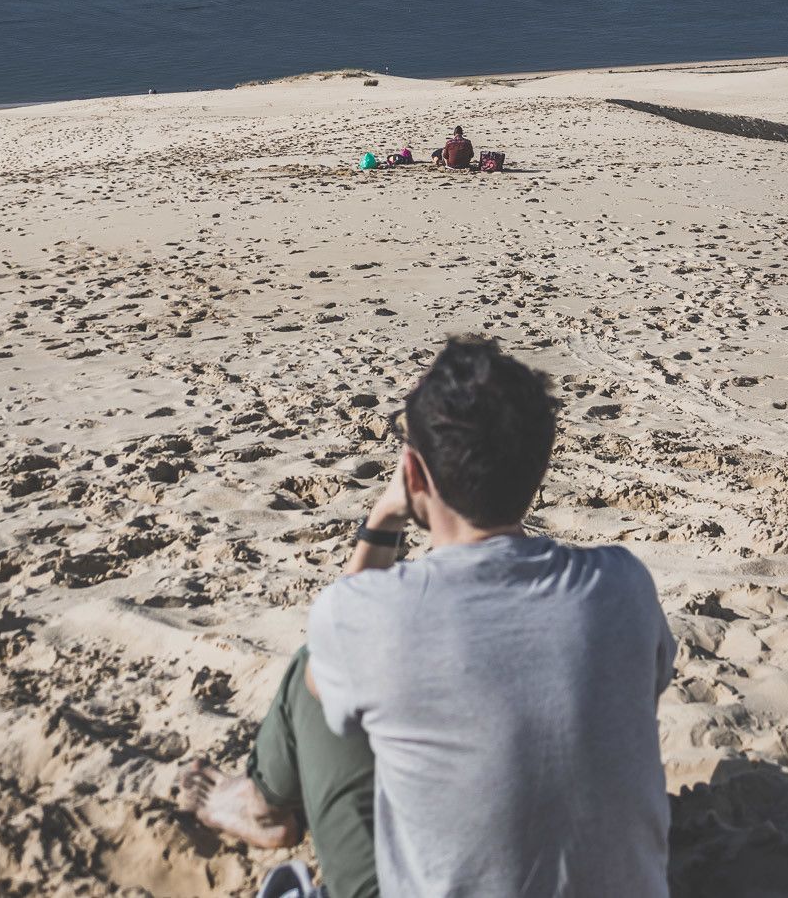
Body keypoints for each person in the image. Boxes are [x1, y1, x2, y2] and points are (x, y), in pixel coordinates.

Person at [182, 338, 675, 898]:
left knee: (312, 673)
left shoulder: (375, 614)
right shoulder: (623, 583)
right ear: (538, 468)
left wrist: (386, 513)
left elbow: (332, 655)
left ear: (413, 474)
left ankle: (261, 805)